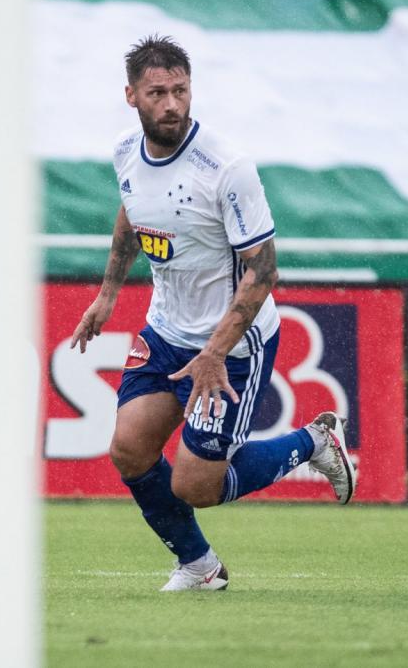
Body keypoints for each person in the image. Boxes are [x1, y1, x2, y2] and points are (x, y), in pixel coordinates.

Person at [70, 35, 355, 592]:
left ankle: (315, 441)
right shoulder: (125, 151)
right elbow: (133, 212)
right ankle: (199, 567)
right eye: (158, 93)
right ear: (131, 96)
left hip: (233, 345)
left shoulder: (226, 169)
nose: (172, 103)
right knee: (128, 449)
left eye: (181, 90)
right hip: (166, 330)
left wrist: (214, 352)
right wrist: (108, 293)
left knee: (194, 485)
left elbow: (264, 272)